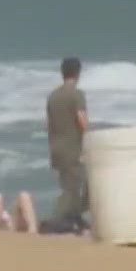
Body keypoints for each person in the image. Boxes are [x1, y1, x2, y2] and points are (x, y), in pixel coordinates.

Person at [45, 56, 89, 229]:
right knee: (78, 186)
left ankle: (75, 218)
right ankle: (56, 220)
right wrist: (90, 138)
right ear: (78, 73)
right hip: (72, 148)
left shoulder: (53, 96)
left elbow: (49, 123)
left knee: (69, 184)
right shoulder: (76, 94)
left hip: (56, 147)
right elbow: (81, 119)